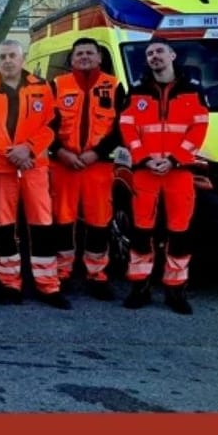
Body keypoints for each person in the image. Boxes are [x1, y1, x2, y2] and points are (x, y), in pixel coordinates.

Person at [0, 40, 69, 310]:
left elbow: (51, 124)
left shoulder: (41, 87)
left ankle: (49, 286)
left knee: (42, 226)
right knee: (3, 227)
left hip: (34, 166)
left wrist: (29, 150)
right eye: (2, 56)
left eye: (12, 55)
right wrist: (11, 152)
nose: (7, 60)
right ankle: (9, 284)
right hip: (1, 169)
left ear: (22, 58)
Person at [118, 38, 210, 315]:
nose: (154, 56)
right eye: (149, 53)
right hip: (145, 172)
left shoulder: (193, 92)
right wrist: (145, 158)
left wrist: (173, 160)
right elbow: (128, 129)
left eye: (159, 51)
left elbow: (198, 130)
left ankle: (176, 290)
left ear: (172, 55)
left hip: (179, 173)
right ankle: (140, 287)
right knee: (141, 232)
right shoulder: (135, 92)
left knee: (180, 233)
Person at [49, 37, 127, 300]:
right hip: (63, 165)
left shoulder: (114, 87)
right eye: (79, 53)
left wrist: (97, 153)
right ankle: (63, 273)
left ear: (99, 58)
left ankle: (98, 276)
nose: (84, 56)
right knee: (62, 221)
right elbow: (45, 126)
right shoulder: (57, 85)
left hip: (99, 166)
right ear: (71, 60)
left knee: (99, 221)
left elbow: (121, 129)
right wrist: (60, 152)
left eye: (89, 53)